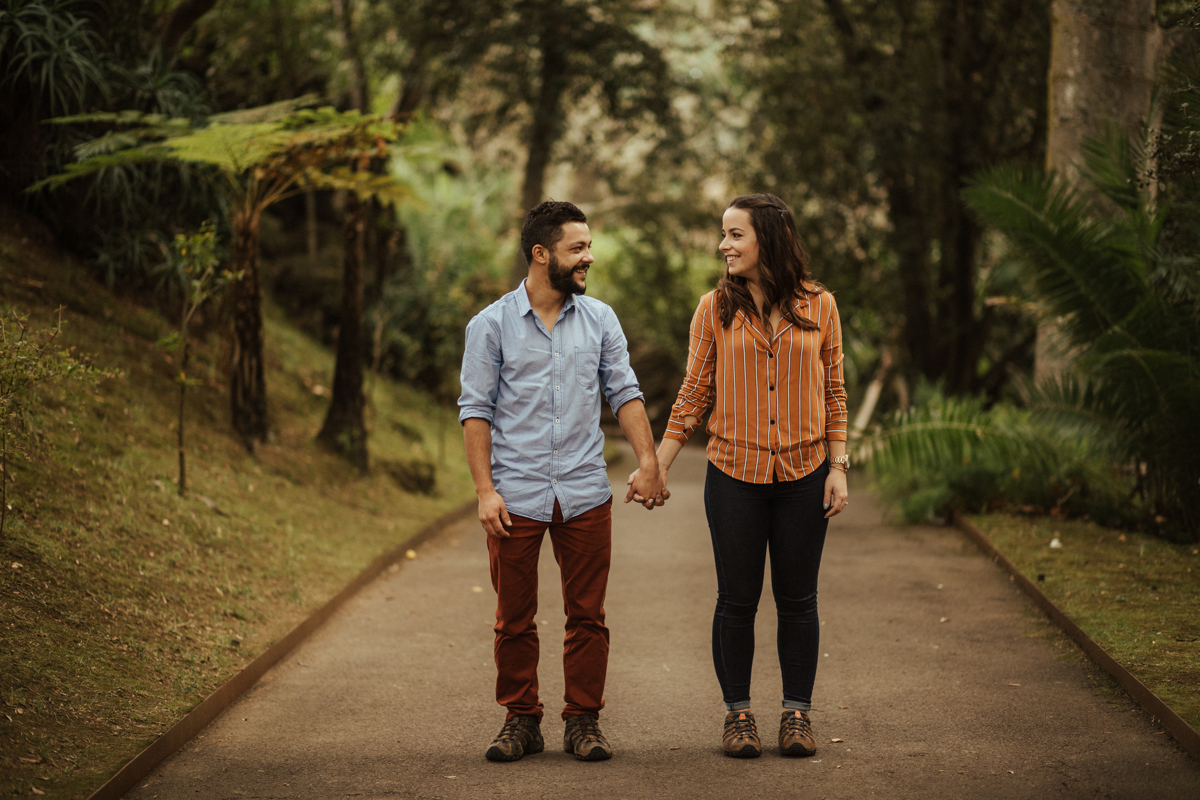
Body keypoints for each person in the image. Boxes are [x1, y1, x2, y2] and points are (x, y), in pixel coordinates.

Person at [634, 193, 849, 759]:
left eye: (734, 235)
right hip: (734, 475)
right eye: (723, 234)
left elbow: (834, 393)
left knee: (799, 599)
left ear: (768, 240)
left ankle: (797, 715)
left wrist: (839, 467)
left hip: (805, 473)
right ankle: (739, 716)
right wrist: (655, 467)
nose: (722, 245)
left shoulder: (821, 306)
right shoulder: (713, 309)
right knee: (737, 599)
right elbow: (694, 393)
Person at [458, 200, 665, 763]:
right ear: (540, 253)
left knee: (587, 616)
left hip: (584, 491)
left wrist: (648, 462)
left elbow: (625, 393)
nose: (588, 258)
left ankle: (584, 721)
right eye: (577, 248)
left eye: (588, 247)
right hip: (516, 494)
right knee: (513, 619)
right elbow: (475, 411)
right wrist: (485, 491)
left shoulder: (601, 320)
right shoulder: (491, 325)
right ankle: (521, 720)